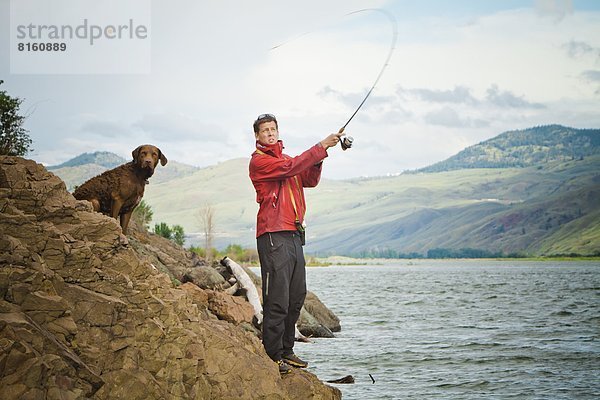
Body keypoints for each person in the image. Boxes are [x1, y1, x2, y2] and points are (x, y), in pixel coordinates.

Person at [249, 113, 343, 375]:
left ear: (278, 132)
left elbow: (309, 180)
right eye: (264, 130)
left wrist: (319, 158)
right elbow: (291, 169)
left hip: (293, 234)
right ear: (257, 136)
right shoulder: (260, 162)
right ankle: (273, 355)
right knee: (276, 299)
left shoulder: (287, 160)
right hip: (272, 235)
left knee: (295, 296)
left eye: (273, 129)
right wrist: (321, 146)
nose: (269, 133)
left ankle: (287, 351)